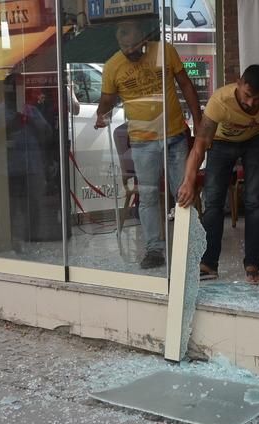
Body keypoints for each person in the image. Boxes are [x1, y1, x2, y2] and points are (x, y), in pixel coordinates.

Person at [95, 19, 202, 269]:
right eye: (125, 47)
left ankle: (192, 247)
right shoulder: (113, 66)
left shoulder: (164, 51)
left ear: (144, 37)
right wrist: (102, 114)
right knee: (149, 196)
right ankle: (154, 250)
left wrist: (198, 120)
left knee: (183, 193)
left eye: (134, 45)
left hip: (175, 135)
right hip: (142, 142)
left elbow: (185, 84)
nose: (130, 51)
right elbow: (106, 101)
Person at [177, 65, 259, 285]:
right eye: (247, 95)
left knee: (255, 202)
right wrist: (188, 182)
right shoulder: (220, 102)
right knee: (214, 202)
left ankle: (253, 265)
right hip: (221, 143)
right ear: (238, 83)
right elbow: (199, 147)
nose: (250, 103)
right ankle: (208, 264)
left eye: (257, 99)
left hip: (255, 141)